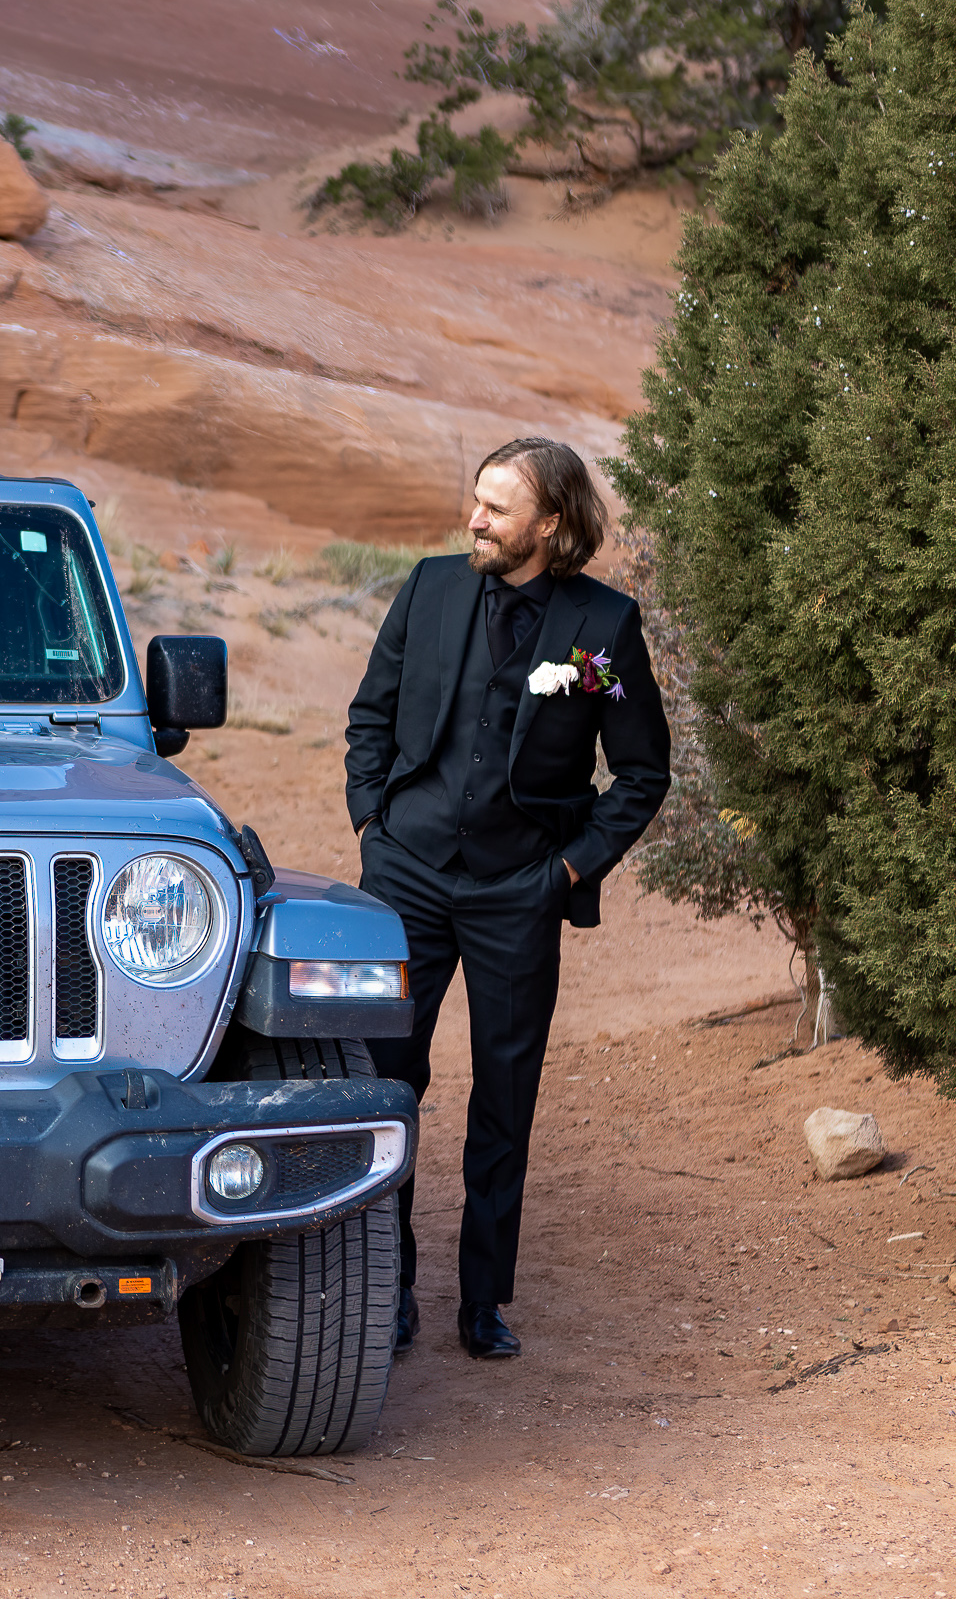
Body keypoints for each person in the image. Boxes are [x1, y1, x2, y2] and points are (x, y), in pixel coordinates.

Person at [343, 438, 669, 1360]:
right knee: (384, 1083)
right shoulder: (431, 588)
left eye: (496, 507)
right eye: (475, 500)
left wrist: (566, 872)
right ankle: (387, 1285)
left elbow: (642, 773)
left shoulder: (601, 628)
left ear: (550, 525)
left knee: (505, 1100)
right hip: (405, 874)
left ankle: (483, 1303)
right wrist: (373, 821)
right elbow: (371, 712)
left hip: (518, 892)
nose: (474, 518)